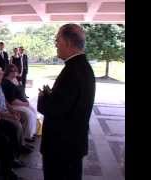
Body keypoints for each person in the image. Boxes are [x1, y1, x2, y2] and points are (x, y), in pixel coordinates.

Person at [37, 24, 96, 180]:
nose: (55, 43)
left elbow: (55, 109)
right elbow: (68, 103)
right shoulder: (83, 67)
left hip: (61, 148)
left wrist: (43, 98)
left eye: (57, 39)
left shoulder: (72, 70)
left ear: (68, 43)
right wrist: (53, 95)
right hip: (72, 144)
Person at [0, 66, 33, 162]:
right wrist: (11, 115)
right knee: (16, 124)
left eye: (1, 74)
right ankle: (14, 155)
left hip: (5, 111)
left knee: (24, 116)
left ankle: (21, 143)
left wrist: (13, 111)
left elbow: (5, 101)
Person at [2, 64, 38, 142]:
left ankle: (32, 133)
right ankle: (26, 136)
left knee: (34, 111)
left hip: (22, 102)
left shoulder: (17, 79)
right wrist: (24, 104)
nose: (14, 72)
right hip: (14, 104)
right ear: (8, 72)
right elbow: (12, 100)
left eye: (15, 70)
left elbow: (21, 91)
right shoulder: (6, 83)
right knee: (28, 114)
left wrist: (26, 101)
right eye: (12, 71)